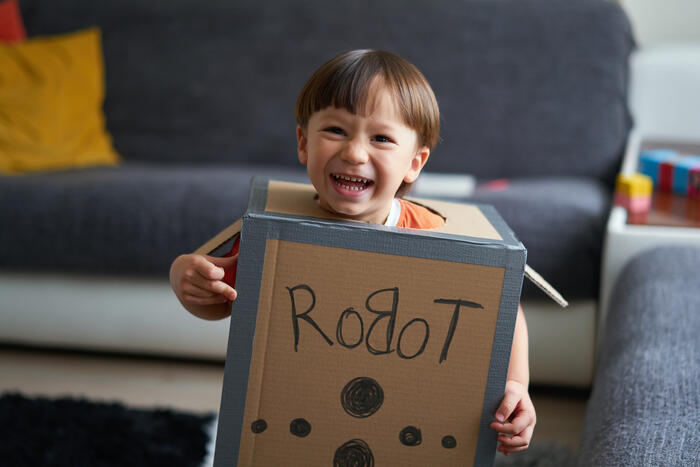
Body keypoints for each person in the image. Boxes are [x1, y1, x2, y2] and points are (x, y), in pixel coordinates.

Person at [169, 49, 535, 456]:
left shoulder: (432, 236)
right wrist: (186, 277)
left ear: (414, 163)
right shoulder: (276, 232)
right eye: (336, 131)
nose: (355, 153)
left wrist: (516, 384)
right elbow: (223, 301)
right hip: (299, 421)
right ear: (304, 143)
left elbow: (504, 308)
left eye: (381, 138)